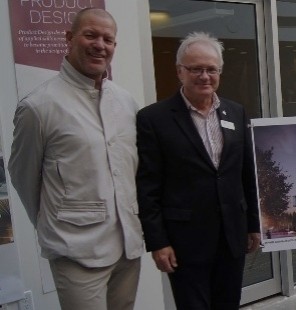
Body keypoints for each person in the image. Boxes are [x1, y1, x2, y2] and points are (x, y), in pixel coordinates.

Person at [8, 8, 143, 310]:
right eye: (91, 35)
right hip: (77, 250)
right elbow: (23, 177)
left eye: (108, 39)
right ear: (69, 38)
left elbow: (133, 170)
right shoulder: (39, 106)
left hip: (128, 246)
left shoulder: (126, 102)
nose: (100, 45)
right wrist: (58, 223)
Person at [136, 32, 261, 309]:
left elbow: (246, 173)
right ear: (180, 71)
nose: (204, 76)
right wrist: (158, 242)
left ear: (220, 72)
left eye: (211, 69)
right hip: (185, 242)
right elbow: (148, 187)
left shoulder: (236, 112)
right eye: (196, 69)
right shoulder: (153, 119)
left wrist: (254, 223)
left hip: (231, 237)